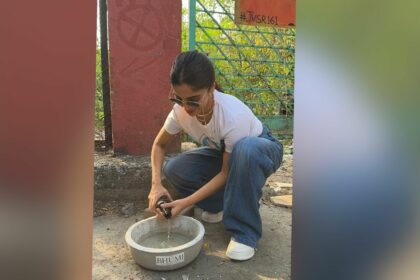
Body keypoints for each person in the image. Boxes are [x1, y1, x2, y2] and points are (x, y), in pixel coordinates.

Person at [147, 50, 283, 261]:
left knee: (245, 150)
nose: (186, 107)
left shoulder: (231, 116)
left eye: (193, 100)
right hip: (225, 153)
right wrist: (156, 184)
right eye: (178, 98)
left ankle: (244, 233)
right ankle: (222, 205)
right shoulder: (179, 112)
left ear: (211, 88)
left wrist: (185, 202)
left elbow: (225, 173)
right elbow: (159, 144)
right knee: (174, 169)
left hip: (260, 149)